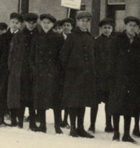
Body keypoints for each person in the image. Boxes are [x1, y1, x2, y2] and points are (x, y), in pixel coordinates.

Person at [106, 15, 140, 143]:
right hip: (118, 78)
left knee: (129, 107)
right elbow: (111, 60)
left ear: (137, 27)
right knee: (116, 106)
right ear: (125, 26)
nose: (132, 28)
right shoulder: (117, 39)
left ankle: (126, 134)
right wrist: (111, 77)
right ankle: (116, 132)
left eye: (134, 26)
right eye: (130, 25)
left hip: (133, 80)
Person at [60, 10, 97, 138]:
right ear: (77, 21)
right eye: (82, 21)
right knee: (73, 101)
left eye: (86, 21)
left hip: (86, 76)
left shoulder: (90, 37)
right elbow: (63, 56)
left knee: (82, 101)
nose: (84, 23)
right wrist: (70, 70)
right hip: (73, 75)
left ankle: (81, 128)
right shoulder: (72, 37)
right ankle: (73, 128)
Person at [29, 13, 63, 133]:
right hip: (40, 74)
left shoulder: (58, 38)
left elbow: (61, 56)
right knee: (40, 100)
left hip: (54, 74)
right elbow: (32, 56)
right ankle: (42, 125)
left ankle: (57, 126)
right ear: (41, 23)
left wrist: (57, 70)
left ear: (53, 24)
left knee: (56, 101)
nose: (46, 25)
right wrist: (34, 69)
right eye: (44, 23)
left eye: (49, 23)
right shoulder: (37, 37)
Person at [7, 12, 35, 129]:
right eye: (29, 23)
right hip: (19, 70)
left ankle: (32, 122)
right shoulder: (18, 37)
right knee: (19, 96)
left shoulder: (38, 36)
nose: (31, 25)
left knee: (32, 97)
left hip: (32, 71)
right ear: (25, 23)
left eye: (33, 23)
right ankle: (18, 121)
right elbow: (12, 54)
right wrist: (12, 68)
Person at [91, 17, 115, 133]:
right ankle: (92, 124)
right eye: (105, 28)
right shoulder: (96, 41)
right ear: (101, 29)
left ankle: (108, 124)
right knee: (94, 102)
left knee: (109, 103)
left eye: (109, 28)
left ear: (112, 29)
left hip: (110, 77)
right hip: (98, 77)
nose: (107, 30)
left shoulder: (115, 42)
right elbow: (93, 58)